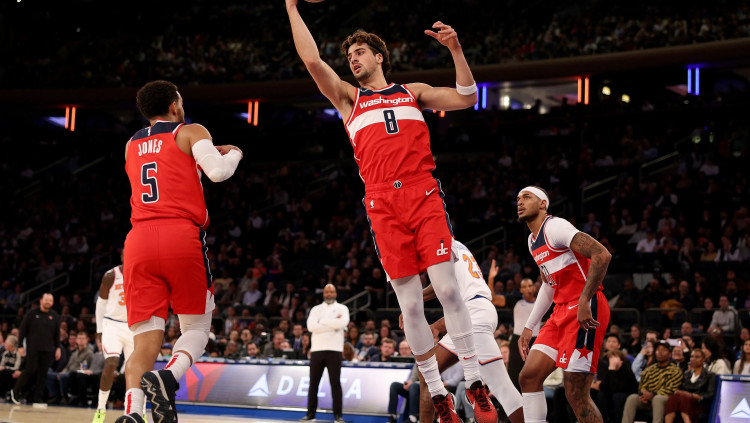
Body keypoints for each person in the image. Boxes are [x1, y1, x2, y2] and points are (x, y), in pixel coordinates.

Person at [286, 2, 493, 421]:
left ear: (379, 57)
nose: (353, 59)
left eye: (360, 52)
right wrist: (291, 5)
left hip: (422, 192)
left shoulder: (411, 91)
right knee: (410, 307)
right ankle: (438, 394)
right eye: (349, 56)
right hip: (382, 202)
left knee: (448, 290)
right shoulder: (348, 98)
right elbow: (312, 60)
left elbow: (468, 97)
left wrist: (455, 49)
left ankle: (474, 383)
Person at [116, 80, 243, 423]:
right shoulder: (189, 131)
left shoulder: (131, 144)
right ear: (175, 106)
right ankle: (168, 376)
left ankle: (133, 413)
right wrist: (234, 152)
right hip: (179, 236)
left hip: (138, 242)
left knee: (144, 343)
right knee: (197, 329)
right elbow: (218, 172)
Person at [516, 186, 613, 423]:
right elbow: (549, 285)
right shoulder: (532, 241)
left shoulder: (555, 226)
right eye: (517, 199)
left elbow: (602, 255)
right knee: (529, 376)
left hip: (585, 306)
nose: (519, 202)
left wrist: (584, 299)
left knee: (575, 392)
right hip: (560, 312)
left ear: (543, 204)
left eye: (526, 197)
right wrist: (529, 326)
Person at [414, 240, 524, 423]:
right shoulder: (455, 244)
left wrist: (412, 300)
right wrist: (436, 325)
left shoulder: (438, 243)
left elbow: (441, 284)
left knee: (501, 386)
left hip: (474, 313)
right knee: (427, 370)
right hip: (472, 311)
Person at [93, 261, 135, 423]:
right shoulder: (111, 275)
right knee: (111, 363)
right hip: (112, 324)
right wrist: (99, 330)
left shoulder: (141, 274)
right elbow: (101, 303)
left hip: (133, 326)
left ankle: (136, 411)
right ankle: (100, 408)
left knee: (136, 370)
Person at [302, 284, 349, 422]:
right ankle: (310, 414)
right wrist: (333, 324)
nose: (329, 294)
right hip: (317, 349)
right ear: (323, 293)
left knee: (335, 383)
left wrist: (321, 322)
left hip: (335, 350)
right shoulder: (316, 309)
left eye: (331, 291)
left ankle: (338, 416)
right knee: (313, 383)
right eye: (327, 291)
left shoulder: (342, 308)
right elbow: (311, 327)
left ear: (336, 293)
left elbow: (343, 323)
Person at [11, 293, 62, 407]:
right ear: (41, 300)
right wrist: (20, 346)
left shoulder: (54, 315)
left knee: (43, 374)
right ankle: (15, 391)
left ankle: (37, 398)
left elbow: (57, 334)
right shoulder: (31, 313)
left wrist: (58, 348)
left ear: (53, 302)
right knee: (30, 370)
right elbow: (22, 330)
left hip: (48, 349)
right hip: (33, 348)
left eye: (50, 300)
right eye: (46, 300)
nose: (48, 302)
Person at [621, 340, 683, 423]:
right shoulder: (649, 369)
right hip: (648, 400)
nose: (660, 352)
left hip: (666, 400)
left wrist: (653, 394)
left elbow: (672, 389)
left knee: (657, 399)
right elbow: (642, 386)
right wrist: (643, 394)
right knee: (632, 398)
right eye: (657, 350)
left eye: (663, 350)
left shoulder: (675, 370)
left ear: (669, 354)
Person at [663, 349, 716, 423]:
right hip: (684, 401)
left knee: (685, 399)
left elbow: (710, 394)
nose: (694, 359)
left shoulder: (710, 375)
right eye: (692, 356)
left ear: (703, 359)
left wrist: (693, 395)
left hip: (699, 403)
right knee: (673, 398)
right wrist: (678, 392)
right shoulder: (686, 374)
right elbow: (682, 390)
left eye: (697, 357)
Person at [508, 276, 540, 393]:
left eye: (530, 286)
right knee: (514, 377)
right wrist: (491, 278)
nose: (527, 289)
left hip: (536, 341)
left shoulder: (542, 303)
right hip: (517, 341)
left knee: (533, 376)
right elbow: (494, 299)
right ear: (521, 290)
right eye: (524, 287)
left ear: (534, 287)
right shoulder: (515, 301)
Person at [387, 340, 419, 423]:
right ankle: (392, 416)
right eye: (401, 348)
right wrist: (410, 382)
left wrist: (413, 383)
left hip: (421, 388)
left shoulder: (427, 357)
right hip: (412, 387)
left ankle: (413, 417)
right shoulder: (418, 358)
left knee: (413, 386)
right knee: (394, 385)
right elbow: (415, 374)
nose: (404, 350)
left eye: (406, 348)